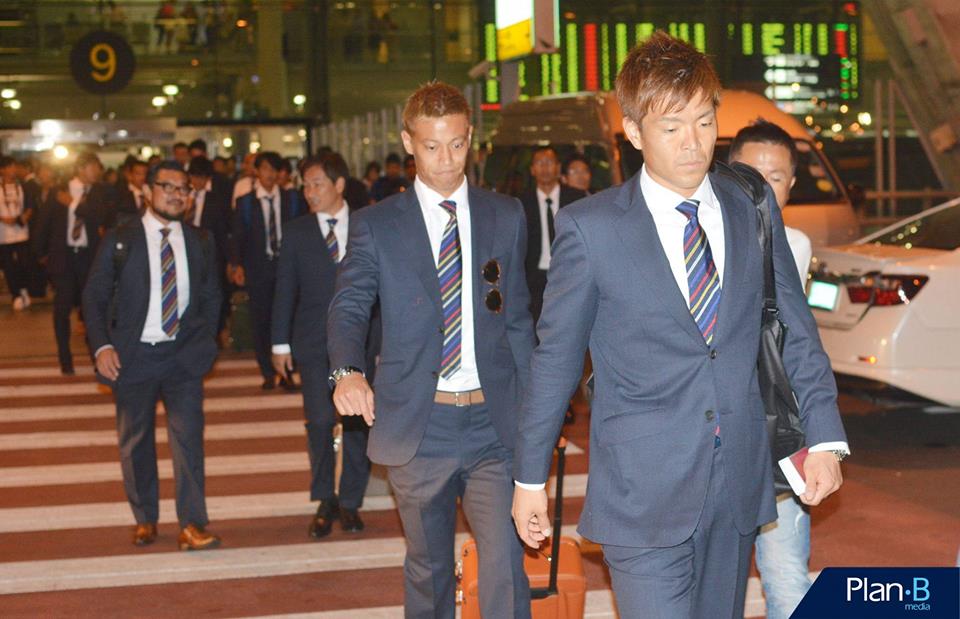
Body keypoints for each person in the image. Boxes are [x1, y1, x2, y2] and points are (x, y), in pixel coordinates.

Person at [511, 32, 848, 619]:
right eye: (671, 128)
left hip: (737, 477)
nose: (693, 143)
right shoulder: (592, 228)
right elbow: (556, 359)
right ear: (634, 132)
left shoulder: (750, 207)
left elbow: (792, 326)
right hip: (642, 490)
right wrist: (529, 478)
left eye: (704, 122)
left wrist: (822, 438)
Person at [328, 81, 535, 618]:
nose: (446, 160)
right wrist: (347, 371)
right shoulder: (377, 224)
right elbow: (350, 305)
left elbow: (518, 323)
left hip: (493, 423)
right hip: (420, 425)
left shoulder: (505, 214)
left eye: (457, 144)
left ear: (471, 139)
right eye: (431, 146)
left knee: (505, 565)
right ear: (408, 143)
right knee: (429, 568)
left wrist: (539, 414)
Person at [83, 160, 221, 551]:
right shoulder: (120, 238)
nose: (177, 195)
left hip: (183, 357)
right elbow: (94, 296)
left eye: (184, 188)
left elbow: (212, 296)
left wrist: (205, 344)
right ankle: (145, 518)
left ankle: (192, 524)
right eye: (168, 187)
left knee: (189, 440)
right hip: (133, 357)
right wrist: (102, 346)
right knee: (135, 441)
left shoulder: (201, 240)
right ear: (148, 191)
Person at [729, 119, 814, 619]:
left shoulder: (793, 244)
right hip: (722, 434)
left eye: (775, 177)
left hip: (778, 436)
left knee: (785, 578)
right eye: (749, 173)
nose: (761, 186)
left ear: (791, 185)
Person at [271, 153, 376, 538]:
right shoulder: (297, 232)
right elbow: (285, 289)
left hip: (363, 341)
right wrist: (279, 344)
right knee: (318, 421)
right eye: (306, 186)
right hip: (313, 341)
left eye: (317, 184)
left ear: (339, 184)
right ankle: (324, 498)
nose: (309, 192)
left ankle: (350, 500)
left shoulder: (368, 223)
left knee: (358, 424)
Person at [230, 151, 305, 390]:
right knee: (260, 321)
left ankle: (287, 372)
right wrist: (236, 264)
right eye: (265, 169)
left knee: (287, 318)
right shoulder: (245, 202)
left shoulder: (292, 199)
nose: (270, 174)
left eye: (274, 170)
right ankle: (268, 372)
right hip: (258, 267)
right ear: (257, 172)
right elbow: (238, 236)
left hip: (287, 267)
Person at [32, 152, 107, 375]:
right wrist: (40, 254)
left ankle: (97, 357)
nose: (98, 171)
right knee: (62, 310)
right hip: (64, 258)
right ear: (82, 168)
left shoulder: (99, 192)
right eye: (94, 166)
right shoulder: (58, 192)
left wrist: (73, 204)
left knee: (92, 310)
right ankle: (65, 358)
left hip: (88, 258)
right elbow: (43, 223)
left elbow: (98, 218)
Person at [519, 146, 586, 322]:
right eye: (539, 163)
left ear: (557, 167)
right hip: (534, 278)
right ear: (532, 169)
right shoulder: (521, 203)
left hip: (570, 274)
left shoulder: (577, 199)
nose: (544, 167)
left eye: (549, 162)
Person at [186, 156, 231, 334]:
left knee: (210, 293)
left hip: (210, 253)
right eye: (194, 177)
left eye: (202, 178)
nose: (198, 181)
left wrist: (228, 260)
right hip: (186, 251)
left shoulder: (217, 200)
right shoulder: (182, 198)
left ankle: (212, 331)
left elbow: (223, 232)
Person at [0, 156, 34, 310]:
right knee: (9, 266)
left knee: (24, 263)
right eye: (10, 167)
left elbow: (30, 204)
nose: (14, 170)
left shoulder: (22, 186)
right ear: (2, 170)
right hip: (3, 235)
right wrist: (3, 219)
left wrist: (26, 215)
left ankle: (24, 289)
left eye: (15, 166)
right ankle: (16, 294)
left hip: (21, 232)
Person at [115, 159, 150, 227]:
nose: (143, 177)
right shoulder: (120, 194)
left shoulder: (152, 193)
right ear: (130, 175)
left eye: (145, 173)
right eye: (138, 173)